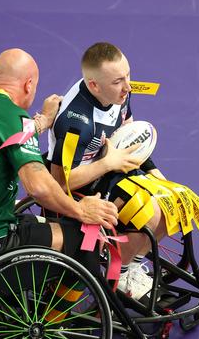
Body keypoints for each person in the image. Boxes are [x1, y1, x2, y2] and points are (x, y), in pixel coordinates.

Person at [0, 48, 119, 322]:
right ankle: (50, 320)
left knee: (31, 224)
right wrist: (81, 210)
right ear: (28, 84)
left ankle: (14, 303)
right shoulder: (10, 115)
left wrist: (42, 120)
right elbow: (39, 188)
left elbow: (5, 135)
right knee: (86, 242)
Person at [47, 42, 170, 301]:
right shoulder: (75, 121)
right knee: (148, 212)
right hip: (79, 189)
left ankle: (132, 265)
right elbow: (59, 182)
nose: (127, 86)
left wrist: (153, 171)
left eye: (128, 75)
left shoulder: (119, 92)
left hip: (108, 170)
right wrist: (108, 164)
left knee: (170, 202)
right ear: (94, 86)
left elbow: (128, 133)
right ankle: (122, 275)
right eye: (118, 81)